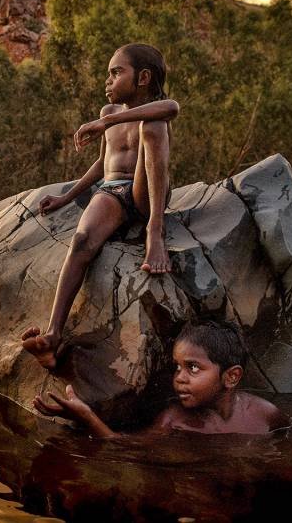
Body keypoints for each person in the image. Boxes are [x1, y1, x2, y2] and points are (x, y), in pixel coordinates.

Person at [22, 43, 178, 369]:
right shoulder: (109, 114)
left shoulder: (156, 111)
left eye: (116, 72)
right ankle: (53, 336)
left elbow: (172, 107)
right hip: (111, 192)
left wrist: (103, 124)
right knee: (81, 242)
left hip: (145, 193)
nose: (108, 80)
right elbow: (100, 164)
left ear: (143, 77)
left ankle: (154, 233)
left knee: (153, 126)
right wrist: (67, 197)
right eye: (108, 73)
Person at [33, 321, 290, 437]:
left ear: (231, 376)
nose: (179, 379)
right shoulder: (173, 421)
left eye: (193, 368)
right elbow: (123, 449)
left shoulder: (266, 416)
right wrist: (86, 416)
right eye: (177, 368)